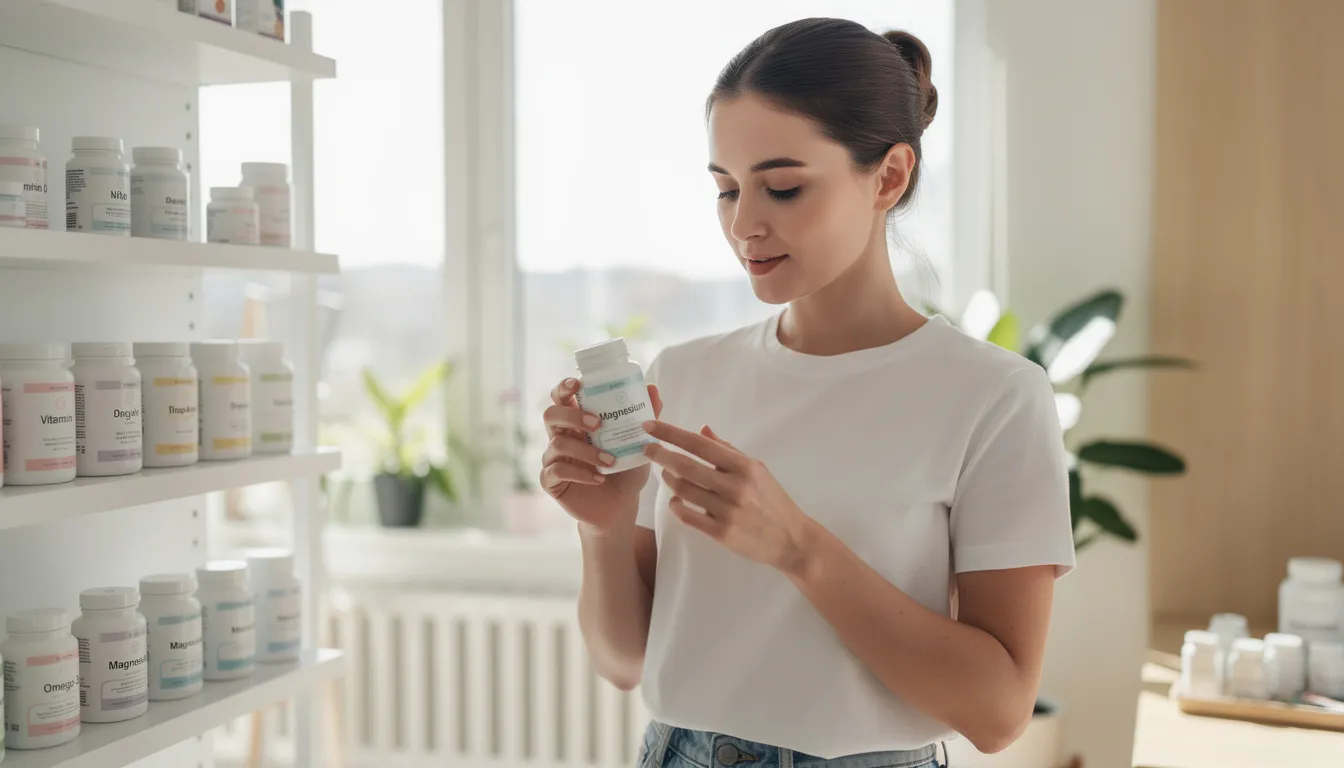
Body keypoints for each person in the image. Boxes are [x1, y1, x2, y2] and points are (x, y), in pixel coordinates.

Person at [539, 17, 1075, 768]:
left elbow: (997, 711)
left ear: (889, 176)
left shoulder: (995, 396)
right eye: (726, 190)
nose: (745, 225)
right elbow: (626, 661)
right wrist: (604, 525)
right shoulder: (681, 377)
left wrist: (800, 549)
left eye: (783, 187)